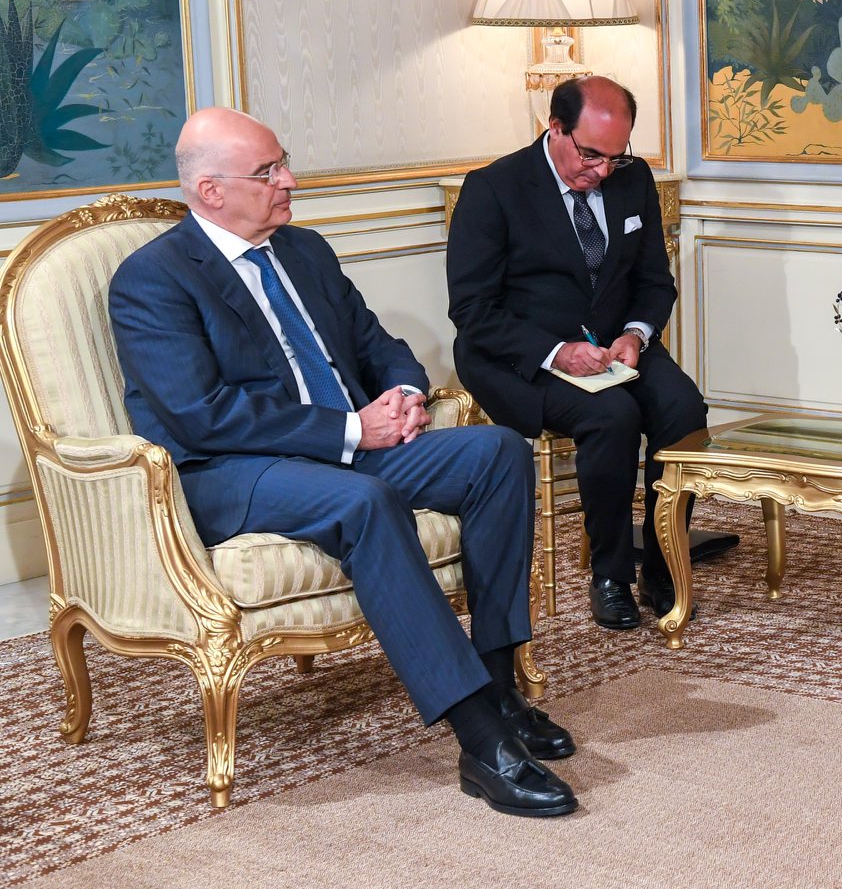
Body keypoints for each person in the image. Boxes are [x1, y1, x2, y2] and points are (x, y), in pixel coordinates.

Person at [109, 108, 577, 818]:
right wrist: (353, 428)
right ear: (211, 191)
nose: (289, 181)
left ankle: (502, 688)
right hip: (234, 470)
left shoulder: (304, 250)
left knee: (498, 451)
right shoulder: (153, 280)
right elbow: (201, 414)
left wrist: (404, 394)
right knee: (365, 503)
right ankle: (482, 740)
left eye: (283, 163)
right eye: (268, 172)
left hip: (347, 446)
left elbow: (375, 342)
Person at [446, 76, 713, 631]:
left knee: (684, 409)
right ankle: (610, 575)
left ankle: (663, 564)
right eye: (591, 155)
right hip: (521, 355)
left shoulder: (632, 180)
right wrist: (557, 352)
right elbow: (472, 310)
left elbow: (654, 281)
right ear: (556, 127)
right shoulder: (493, 189)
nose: (603, 171)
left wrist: (636, 335)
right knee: (611, 416)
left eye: (616, 157)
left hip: (614, 346)